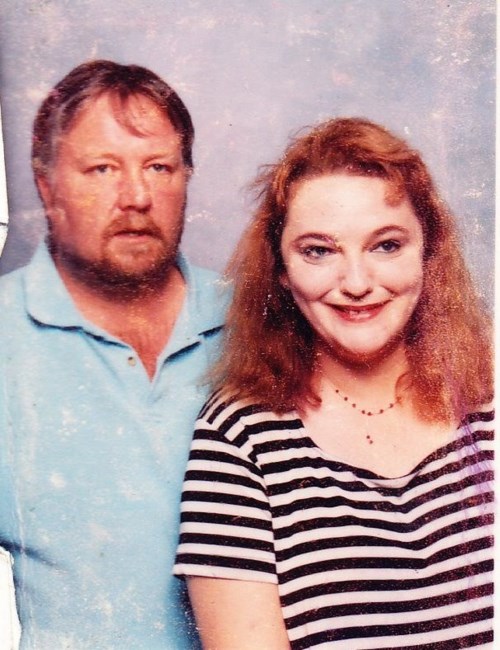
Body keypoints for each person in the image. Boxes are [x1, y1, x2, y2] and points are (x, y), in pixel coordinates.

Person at [174, 118, 494, 649]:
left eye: (386, 245)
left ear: (428, 251)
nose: (357, 283)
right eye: (318, 251)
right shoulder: (237, 439)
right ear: (280, 269)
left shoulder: (489, 394)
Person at [0, 60, 229, 649]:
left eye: (159, 167)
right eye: (102, 169)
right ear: (46, 186)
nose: (136, 197)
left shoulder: (262, 322)